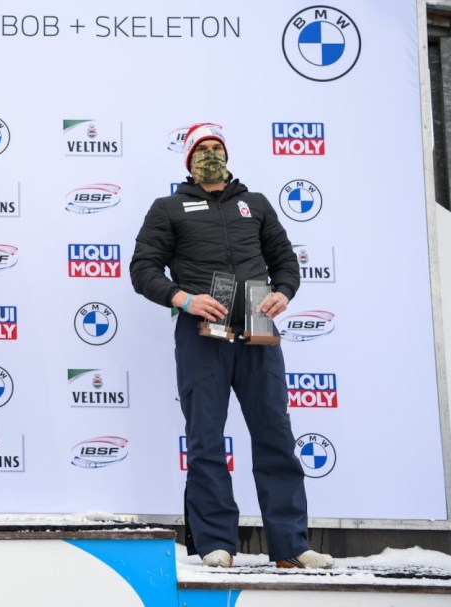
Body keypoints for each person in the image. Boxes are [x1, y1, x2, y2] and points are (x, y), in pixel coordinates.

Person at [129, 123, 334, 569]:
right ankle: (216, 542)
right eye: (201, 148)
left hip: (258, 323)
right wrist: (183, 299)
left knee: (275, 433)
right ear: (188, 159)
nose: (210, 153)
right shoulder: (169, 208)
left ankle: (291, 545)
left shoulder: (254, 204)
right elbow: (143, 269)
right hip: (204, 329)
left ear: (227, 154)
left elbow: (284, 260)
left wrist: (284, 290)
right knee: (206, 437)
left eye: (216, 147)